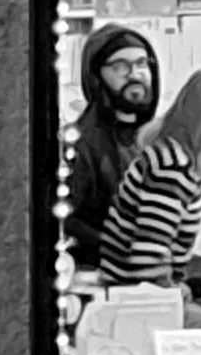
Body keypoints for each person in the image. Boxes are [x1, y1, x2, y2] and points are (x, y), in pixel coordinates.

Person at [96, 66, 201, 289]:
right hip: (137, 299)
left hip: (137, 291)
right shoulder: (173, 169)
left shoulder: (178, 159)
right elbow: (147, 258)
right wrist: (175, 292)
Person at [64, 24, 161, 267]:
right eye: (120, 66)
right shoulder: (80, 143)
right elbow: (69, 220)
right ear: (96, 77)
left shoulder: (157, 136)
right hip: (101, 277)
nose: (135, 74)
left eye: (141, 63)